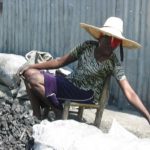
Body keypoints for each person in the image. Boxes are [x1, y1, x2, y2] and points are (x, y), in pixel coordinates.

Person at [18, 17, 150, 124]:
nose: (111, 44)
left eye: (116, 42)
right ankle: (37, 116)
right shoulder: (86, 46)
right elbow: (59, 62)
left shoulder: (113, 63)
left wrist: (148, 117)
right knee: (28, 74)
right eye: (108, 38)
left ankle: (57, 110)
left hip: (87, 93)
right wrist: (32, 66)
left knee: (34, 79)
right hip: (70, 83)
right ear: (100, 37)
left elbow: (130, 93)